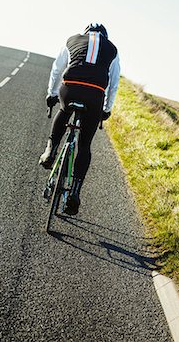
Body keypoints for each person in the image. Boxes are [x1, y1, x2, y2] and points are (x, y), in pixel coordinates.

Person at [39, 23, 120, 215]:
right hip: (95, 95)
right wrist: (106, 109)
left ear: (86, 33)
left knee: (64, 110)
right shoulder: (112, 49)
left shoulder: (72, 40)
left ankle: (50, 151)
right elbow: (114, 82)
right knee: (84, 145)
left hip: (71, 87)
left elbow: (57, 69)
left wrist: (52, 94)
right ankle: (74, 191)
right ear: (104, 36)